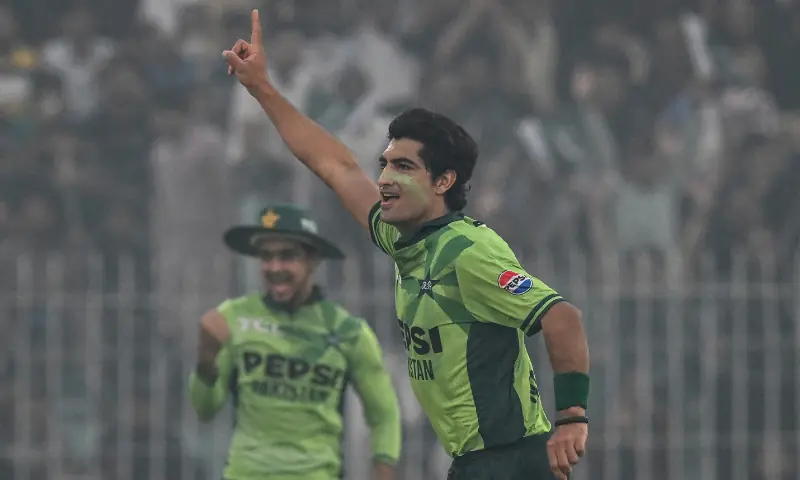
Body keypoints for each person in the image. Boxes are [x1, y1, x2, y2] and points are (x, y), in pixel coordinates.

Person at [222, 11, 590, 480]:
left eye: (403, 168)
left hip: (511, 461)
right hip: (474, 463)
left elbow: (563, 319)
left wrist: (571, 419)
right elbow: (334, 165)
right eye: (386, 164)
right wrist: (263, 90)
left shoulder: (467, 251)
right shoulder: (401, 238)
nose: (384, 178)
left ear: (443, 181)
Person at [188, 204, 401, 480]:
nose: (274, 267)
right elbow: (205, 409)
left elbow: (384, 414)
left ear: (313, 261)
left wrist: (383, 469)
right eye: (266, 257)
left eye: (287, 256)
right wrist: (206, 360)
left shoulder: (348, 331)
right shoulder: (233, 318)